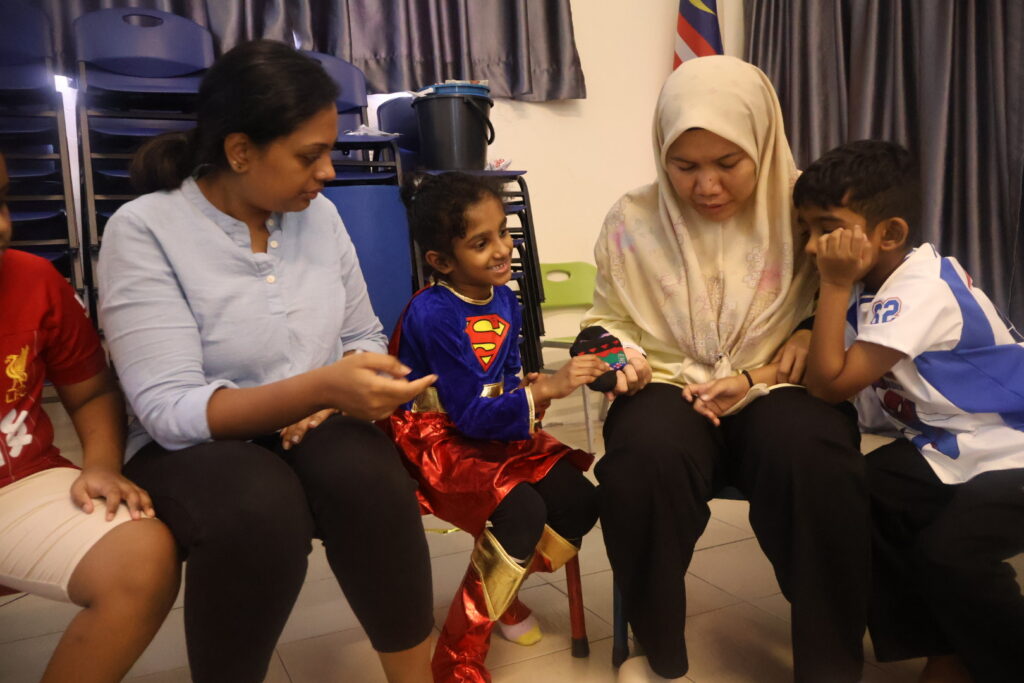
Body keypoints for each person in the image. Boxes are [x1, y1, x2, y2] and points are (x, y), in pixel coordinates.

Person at [97, 41, 437, 683]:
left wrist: (353, 387)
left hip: (310, 420)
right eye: (310, 156)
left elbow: (361, 334)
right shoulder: (144, 231)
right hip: (188, 446)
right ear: (240, 151)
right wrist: (319, 388)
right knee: (257, 508)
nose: (329, 173)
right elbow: (170, 411)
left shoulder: (320, 218)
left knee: (371, 479)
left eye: (329, 151)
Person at [584, 55, 870, 682]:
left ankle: (831, 661)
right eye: (684, 167)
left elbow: (858, 288)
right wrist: (614, 357)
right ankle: (657, 645)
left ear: (764, 147)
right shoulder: (632, 219)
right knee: (643, 461)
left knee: (815, 457)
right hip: (667, 382)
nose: (705, 186)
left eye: (727, 164)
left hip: (775, 380)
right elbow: (610, 320)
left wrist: (807, 328)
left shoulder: (805, 209)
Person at [797, 139, 1024, 683]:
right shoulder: (874, 283)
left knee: (953, 555)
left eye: (827, 228)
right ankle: (941, 648)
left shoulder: (920, 288)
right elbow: (825, 362)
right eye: (804, 230)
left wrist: (830, 286)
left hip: (1012, 447)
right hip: (958, 444)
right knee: (859, 493)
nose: (811, 247)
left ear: (890, 234)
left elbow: (829, 385)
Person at [387, 172, 604, 682]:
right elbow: (463, 414)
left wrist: (523, 388)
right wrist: (543, 390)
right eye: (480, 243)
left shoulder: (505, 297)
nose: (502, 249)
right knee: (521, 508)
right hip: (435, 435)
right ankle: (457, 657)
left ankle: (500, 592)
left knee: (580, 501)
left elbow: (499, 378)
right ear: (442, 261)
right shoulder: (434, 314)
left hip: (490, 427)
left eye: (503, 233)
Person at [0, 153, 179, 682]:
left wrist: (101, 464)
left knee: (142, 556)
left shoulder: (33, 279)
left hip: (18, 481)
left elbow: (91, 390)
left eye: (3, 200)